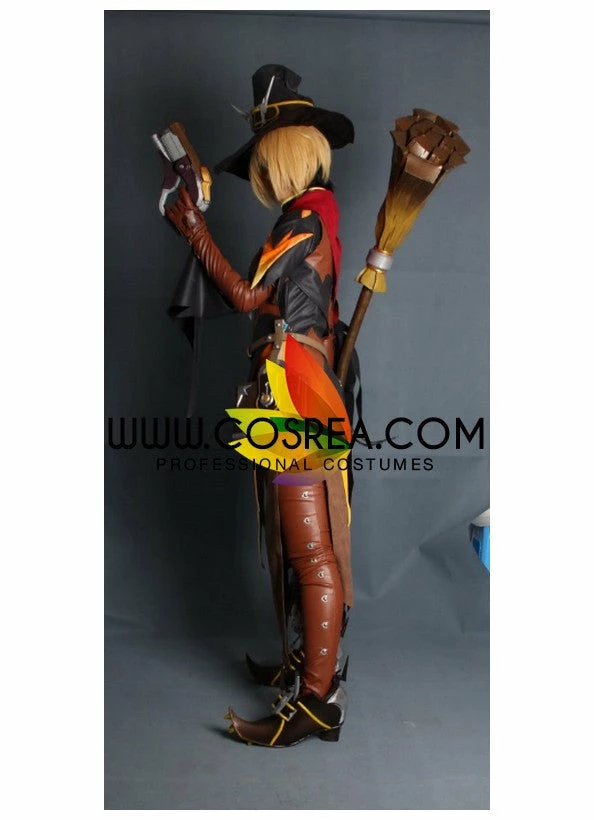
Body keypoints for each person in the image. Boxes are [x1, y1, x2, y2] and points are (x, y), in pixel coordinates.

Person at [165, 64, 355, 747]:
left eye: (265, 161)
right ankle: (311, 667)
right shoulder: (315, 213)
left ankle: (318, 702)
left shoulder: (304, 217)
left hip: (294, 391)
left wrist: (195, 231)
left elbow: (248, 297)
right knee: (294, 541)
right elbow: (276, 300)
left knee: (310, 548)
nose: (262, 174)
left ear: (286, 156)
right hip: (292, 382)